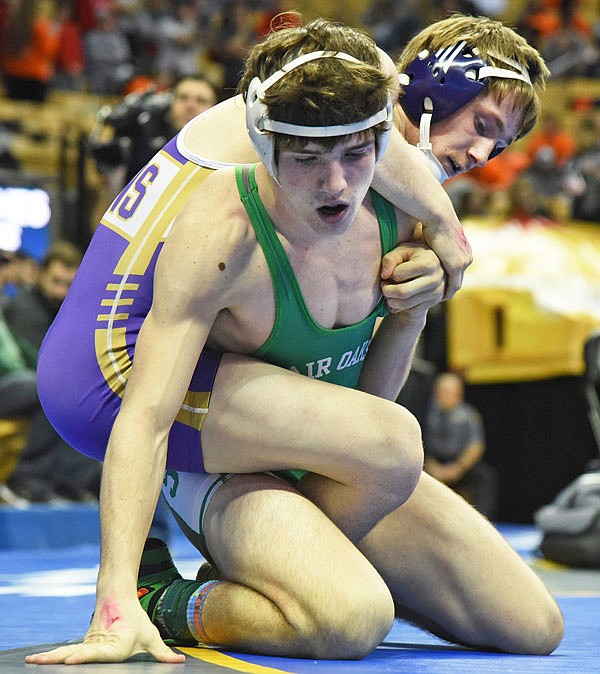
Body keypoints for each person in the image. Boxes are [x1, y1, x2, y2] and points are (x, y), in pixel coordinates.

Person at [27, 16, 562, 667]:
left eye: (499, 145)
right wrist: (114, 602)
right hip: (116, 372)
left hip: (271, 428)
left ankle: (306, 561)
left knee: (532, 626)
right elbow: (147, 417)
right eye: (480, 125)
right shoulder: (244, 195)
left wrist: (415, 305)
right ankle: (162, 598)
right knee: (373, 520)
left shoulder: (400, 208)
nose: (336, 181)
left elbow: (360, 400)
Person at [424, 372, 498, 519]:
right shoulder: (424, 413)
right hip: (430, 463)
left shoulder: (468, 415)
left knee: (486, 477)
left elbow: (476, 446)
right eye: (444, 392)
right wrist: (431, 466)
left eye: (452, 392)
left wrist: (459, 467)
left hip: (459, 464)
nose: (447, 396)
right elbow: (419, 441)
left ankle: (482, 520)